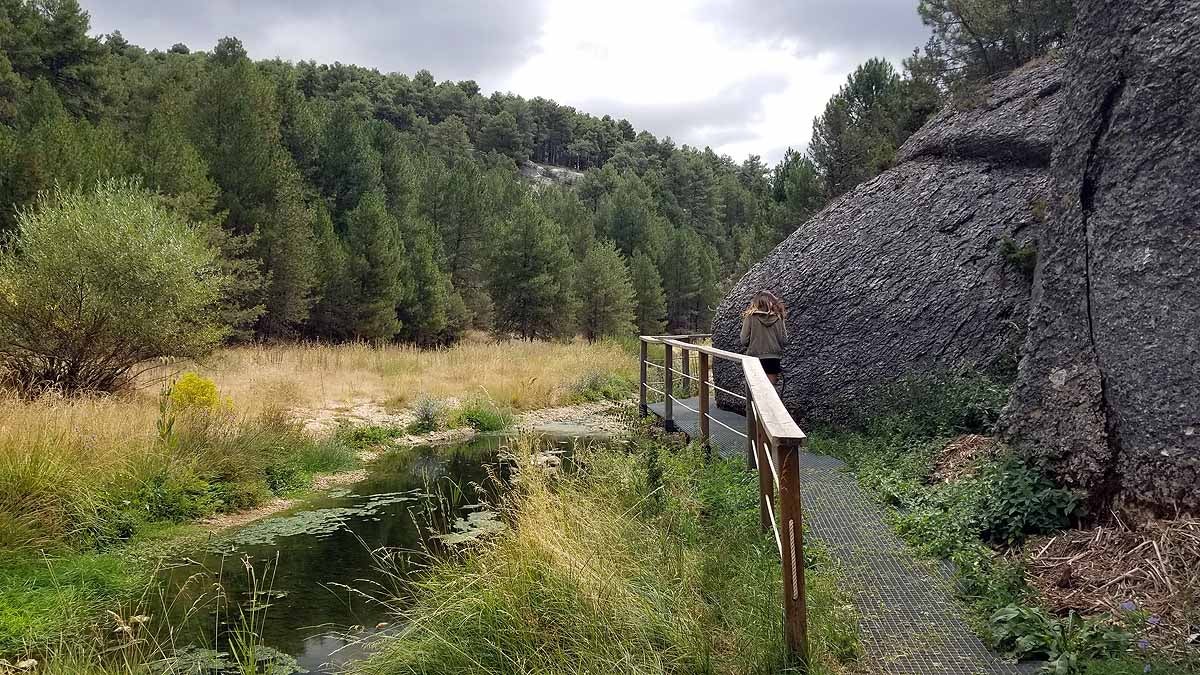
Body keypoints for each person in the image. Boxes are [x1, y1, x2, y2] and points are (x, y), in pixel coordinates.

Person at [739, 290, 788, 385]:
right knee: (770, 390)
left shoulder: (750, 317)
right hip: (773, 358)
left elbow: (744, 340)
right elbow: (784, 340)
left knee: (756, 390)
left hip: (754, 358)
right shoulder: (778, 317)